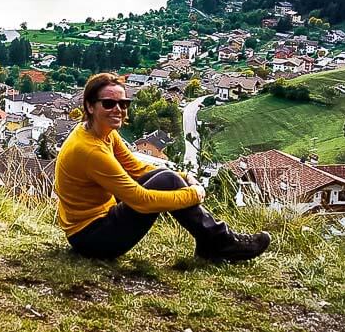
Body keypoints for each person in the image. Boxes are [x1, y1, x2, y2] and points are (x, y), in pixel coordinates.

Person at [54, 72, 270, 262]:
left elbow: (137, 169)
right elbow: (142, 201)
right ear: (90, 106)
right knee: (167, 181)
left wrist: (183, 176)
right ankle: (220, 242)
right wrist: (193, 194)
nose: (118, 110)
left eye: (123, 103)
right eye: (109, 104)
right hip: (92, 239)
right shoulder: (90, 149)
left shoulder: (100, 131)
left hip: (95, 224)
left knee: (168, 177)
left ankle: (214, 241)